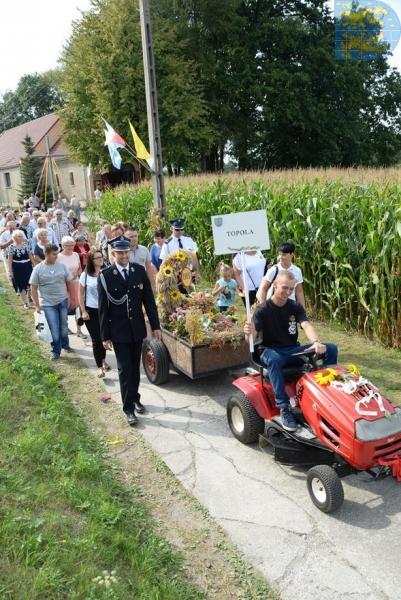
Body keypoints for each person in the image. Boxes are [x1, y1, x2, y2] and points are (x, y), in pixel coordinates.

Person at [245, 271, 338, 432]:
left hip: (292, 349)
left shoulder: (294, 306)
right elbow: (250, 339)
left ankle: (329, 393)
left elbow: (306, 325)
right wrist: (248, 332)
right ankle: (284, 408)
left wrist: (316, 342)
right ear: (275, 286)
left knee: (331, 348)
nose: (288, 292)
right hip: (268, 350)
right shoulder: (262, 310)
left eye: (291, 289)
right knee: (274, 359)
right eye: (285, 288)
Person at [98, 238, 161, 426]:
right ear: (113, 254)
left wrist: (156, 326)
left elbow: (149, 301)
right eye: (120, 253)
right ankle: (128, 409)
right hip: (118, 332)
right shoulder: (106, 275)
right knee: (125, 369)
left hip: (137, 329)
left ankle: (135, 397)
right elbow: (103, 308)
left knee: (135, 368)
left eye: (126, 252)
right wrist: (105, 335)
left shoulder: (139, 271)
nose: (124, 256)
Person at [29, 243, 75, 360]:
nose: (56, 256)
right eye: (54, 254)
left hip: (62, 300)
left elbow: (69, 282)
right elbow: (33, 288)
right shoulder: (38, 269)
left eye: (57, 254)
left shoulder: (62, 266)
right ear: (46, 254)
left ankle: (65, 344)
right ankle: (56, 350)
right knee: (54, 328)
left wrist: (73, 298)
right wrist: (37, 305)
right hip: (48, 304)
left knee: (64, 326)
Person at [78, 248, 110, 378]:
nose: (100, 259)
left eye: (101, 257)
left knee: (105, 338)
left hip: (106, 311)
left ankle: (102, 360)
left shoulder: (107, 272)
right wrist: (84, 311)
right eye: (97, 258)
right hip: (91, 311)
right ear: (91, 260)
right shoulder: (85, 275)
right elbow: (80, 294)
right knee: (97, 339)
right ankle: (99, 367)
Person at [257, 242, 305, 307]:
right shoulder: (274, 270)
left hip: (291, 307)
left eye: (284, 255)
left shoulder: (297, 271)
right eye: (280, 254)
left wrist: (302, 311)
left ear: (292, 255)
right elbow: (263, 288)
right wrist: (263, 307)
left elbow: (299, 292)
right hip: (274, 307)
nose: (280, 257)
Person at [57, 236, 87, 338]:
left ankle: (79, 330)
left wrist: (77, 274)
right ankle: (66, 328)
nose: (70, 247)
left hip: (76, 283)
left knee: (78, 307)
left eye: (72, 245)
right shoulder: (58, 257)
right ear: (63, 246)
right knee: (65, 306)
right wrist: (70, 276)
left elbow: (79, 268)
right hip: (64, 285)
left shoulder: (75, 254)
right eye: (67, 245)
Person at [7, 230, 34, 308]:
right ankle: (25, 303)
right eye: (19, 236)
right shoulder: (11, 247)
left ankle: (30, 297)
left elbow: (30, 255)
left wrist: (34, 265)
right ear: (15, 237)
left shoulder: (26, 245)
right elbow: (10, 259)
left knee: (29, 283)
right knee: (21, 285)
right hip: (17, 268)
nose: (21, 238)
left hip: (27, 266)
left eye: (22, 236)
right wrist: (10, 270)